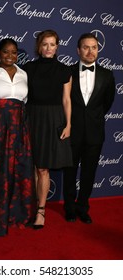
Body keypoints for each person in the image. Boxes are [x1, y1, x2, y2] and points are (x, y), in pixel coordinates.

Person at [0, 38, 37, 237]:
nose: (10, 56)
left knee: (18, 169)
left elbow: (24, 102)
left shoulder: (24, 74)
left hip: (18, 129)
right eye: (6, 52)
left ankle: (17, 215)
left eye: (14, 52)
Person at [63, 33, 115, 224]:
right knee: (69, 172)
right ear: (78, 50)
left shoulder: (107, 75)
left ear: (98, 50)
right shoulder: (67, 72)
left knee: (89, 172)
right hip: (71, 131)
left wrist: (92, 119)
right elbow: (64, 102)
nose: (90, 51)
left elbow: (106, 103)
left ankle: (82, 207)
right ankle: (69, 207)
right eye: (86, 47)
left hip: (94, 133)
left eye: (94, 47)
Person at [23, 30, 73, 229]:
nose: (49, 48)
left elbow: (67, 100)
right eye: (45, 44)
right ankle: (31, 207)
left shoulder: (64, 70)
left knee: (43, 167)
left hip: (53, 120)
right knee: (33, 166)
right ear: (39, 46)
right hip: (31, 118)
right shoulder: (27, 69)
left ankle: (41, 211)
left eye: (52, 44)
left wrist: (68, 124)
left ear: (57, 47)